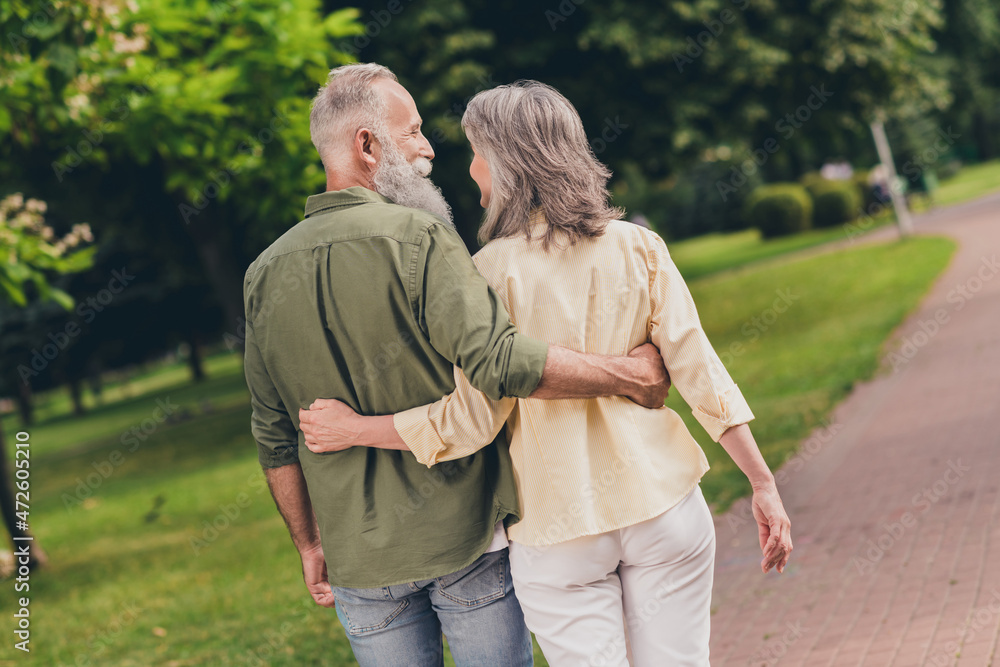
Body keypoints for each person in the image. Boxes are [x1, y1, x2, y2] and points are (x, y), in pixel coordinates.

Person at [300, 81, 793, 666]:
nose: (471, 169)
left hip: (559, 533)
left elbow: (470, 422)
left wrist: (356, 429)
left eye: (478, 153)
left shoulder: (481, 274)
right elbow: (699, 372)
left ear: (507, 164)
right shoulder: (638, 247)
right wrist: (762, 483)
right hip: (664, 508)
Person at [244, 64, 674, 667]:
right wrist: (630, 374)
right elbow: (499, 361)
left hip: (358, 561)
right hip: (465, 539)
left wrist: (309, 542)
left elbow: (273, 434)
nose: (428, 148)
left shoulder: (263, 274)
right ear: (366, 146)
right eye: (413, 132)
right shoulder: (419, 237)